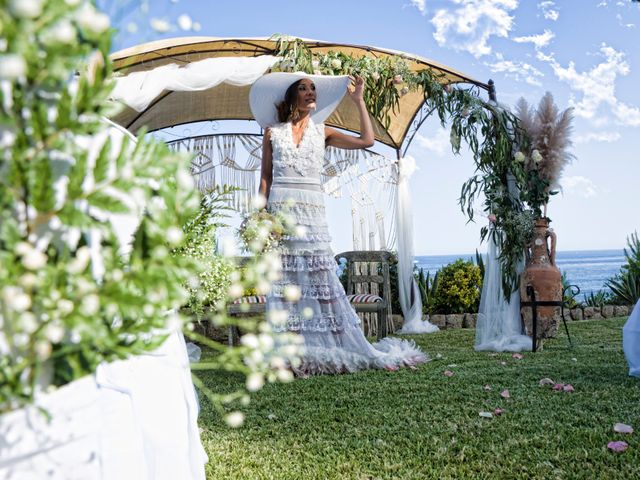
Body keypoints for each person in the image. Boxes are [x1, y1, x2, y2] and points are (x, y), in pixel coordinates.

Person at [249, 72, 427, 375]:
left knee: (319, 279)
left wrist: (358, 101)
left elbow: (367, 140)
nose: (309, 92)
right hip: (280, 212)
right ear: (292, 96)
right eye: (303, 88)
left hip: (312, 213)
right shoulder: (271, 132)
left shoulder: (324, 132)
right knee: (285, 281)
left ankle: (325, 346)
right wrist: (260, 218)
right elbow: (265, 178)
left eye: (313, 88)